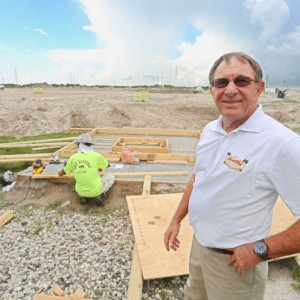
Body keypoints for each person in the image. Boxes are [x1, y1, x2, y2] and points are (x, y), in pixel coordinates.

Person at [164, 52, 300, 300]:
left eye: (241, 81)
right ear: (211, 90)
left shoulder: (281, 143)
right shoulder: (210, 130)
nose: (230, 90)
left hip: (235, 263)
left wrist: (260, 250)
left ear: (259, 88)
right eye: (221, 82)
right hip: (200, 247)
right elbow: (198, 178)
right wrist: (176, 220)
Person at [58, 133, 114, 206]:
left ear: (79, 145)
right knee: (111, 177)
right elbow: (107, 165)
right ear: (90, 145)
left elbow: (62, 172)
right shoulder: (96, 155)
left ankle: (83, 197)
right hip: (96, 190)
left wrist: (59, 173)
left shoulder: (73, 157)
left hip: (80, 191)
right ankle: (100, 196)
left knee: (81, 178)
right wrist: (97, 166)